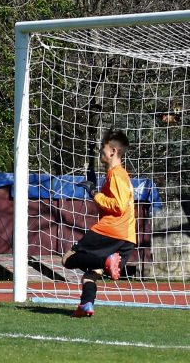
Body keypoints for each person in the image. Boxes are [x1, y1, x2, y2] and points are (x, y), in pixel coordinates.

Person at [62, 129, 136, 318]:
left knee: (68, 258)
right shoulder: (117, 176)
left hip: (112, 230)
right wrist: (96, 192)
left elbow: (118, 206)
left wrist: (95, 194)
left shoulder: (116, 174)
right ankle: (86, 304)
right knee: (91, 274)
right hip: (127, 238)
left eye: (103, 147)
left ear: (112, 151)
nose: (100, 151)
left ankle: (105, 260)